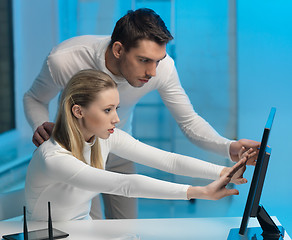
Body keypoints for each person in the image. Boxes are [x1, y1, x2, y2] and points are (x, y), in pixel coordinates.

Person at [23, 8, 260, 219]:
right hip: (74, 152)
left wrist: (229, 155)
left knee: (126, 230)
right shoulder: (65, 61)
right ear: (118, 50)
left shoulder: (160, 70)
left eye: (158, 60)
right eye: (144, 60)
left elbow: (181, 137)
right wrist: (39, 124)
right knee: (85, 221)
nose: (153, 72)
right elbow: (33, 98)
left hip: (112, 144)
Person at [25, 69, 254, 221]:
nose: (116, 118)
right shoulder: (53, 158)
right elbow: (126, 184)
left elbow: (168, 160)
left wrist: (225, 172)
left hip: (83, 230)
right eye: (107, 110)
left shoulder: (103, 138)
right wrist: (199, 192)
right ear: (78, 111)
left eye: (117, 108)